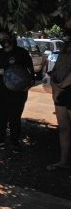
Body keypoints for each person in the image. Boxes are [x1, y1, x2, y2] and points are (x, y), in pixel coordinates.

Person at [0, 31, 34, 151]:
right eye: (1, 39)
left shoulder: (22, 53)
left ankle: (15, 142)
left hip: (17, 93)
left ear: (12, 37)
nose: (4, 41)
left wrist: (30, 83)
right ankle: (0, 140)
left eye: (6, 38)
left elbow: (30, 71)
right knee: (1, 115)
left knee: (15, 117)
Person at [47, 16, 71, 171]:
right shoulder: (66, 45)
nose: (66, 24)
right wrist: (55, 86)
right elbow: (58, 66)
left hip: (66, 88)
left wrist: (61, 85)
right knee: (63, 128)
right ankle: (63, 161)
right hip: (62, 91)